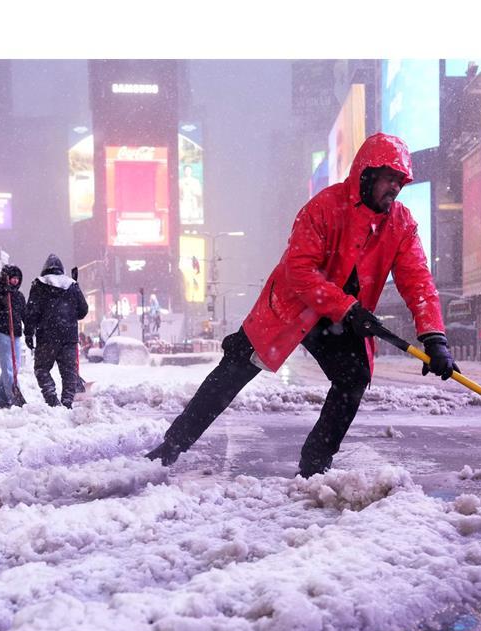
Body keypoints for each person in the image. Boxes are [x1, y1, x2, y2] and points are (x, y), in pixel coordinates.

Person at [146, 133, 456, 477]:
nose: (395, 188)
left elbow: (418, 282)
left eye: (400, 181)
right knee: (233, 371)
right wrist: (348, 308)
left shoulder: (401, 223)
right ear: (366, 174)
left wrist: (434, 338)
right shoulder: (324, 207)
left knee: (353, 379)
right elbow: (300, 271)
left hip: (339, 320)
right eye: (389, 178)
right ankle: (172, 446)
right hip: (291, 306)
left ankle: (315, 466)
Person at [24, 254, 89, 408]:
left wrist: (28, 333)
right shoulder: (72, 285)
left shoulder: (38, 285)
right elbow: (83, 311)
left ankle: (52, 400)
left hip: (46, 337)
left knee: (41, 369)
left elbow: (31, 312)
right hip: (69, 338)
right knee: (69, 373)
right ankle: (67, 403)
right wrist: (70, 313)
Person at [0, 264, 26, 408]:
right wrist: (3, 292)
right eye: (12, 278)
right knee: (9, 368)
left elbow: (25, 315)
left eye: (17, 279)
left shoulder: (19, 296)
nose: (15, 281)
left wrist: (29, 331)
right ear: (5, 278)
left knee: (14, 368)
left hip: (15, 335)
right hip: (2, 334)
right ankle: (15, 398)